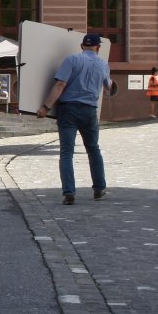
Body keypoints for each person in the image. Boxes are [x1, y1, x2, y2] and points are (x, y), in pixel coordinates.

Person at [37, 34, 118, 204]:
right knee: (93, 149)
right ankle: (99, 189)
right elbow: (108, 89)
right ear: (98, 47)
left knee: (67, 152)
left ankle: (69, 193)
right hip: (90, 111)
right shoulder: (103, 64)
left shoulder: (72, 60)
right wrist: (110, 84)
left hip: (68, 110)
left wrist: (46, 107)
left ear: (82, 46)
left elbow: (60, 85)